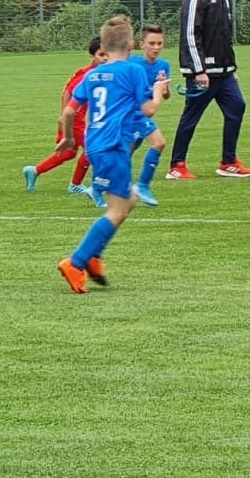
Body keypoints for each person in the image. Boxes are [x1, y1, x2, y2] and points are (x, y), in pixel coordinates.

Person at [56, 15, 170, 293]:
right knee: (118, 209)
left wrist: (69, 138)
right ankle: (77, 261)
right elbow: (149, 110)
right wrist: (157, 92)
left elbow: (70, 111)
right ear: (132, 44)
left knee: (127, 201)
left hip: (95, 145)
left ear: (104, 47)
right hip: (114, 146)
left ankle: (93, 255)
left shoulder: (93, 74)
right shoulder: (133, 71)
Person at [166, 0, 250, 181]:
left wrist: (231, 69)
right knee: (191, 117)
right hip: (203, 74)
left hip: (224, 74)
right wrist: (198, 70)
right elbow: (190, 34)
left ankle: (229, 162)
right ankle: (176, 165)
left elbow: (224, 37)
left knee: (237, 107)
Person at [24, 37, 106, 196]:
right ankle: (75, 185)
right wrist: (64, 115)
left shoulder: (97, 73)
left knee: (69, 153)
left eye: (106, 55)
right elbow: (67, 92)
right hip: (74, 120)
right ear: (92, 56)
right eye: (101, 54)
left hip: (78, 119)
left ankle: (34, 171)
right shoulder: (87, 74)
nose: (104, 58)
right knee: (93, 149)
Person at [128, 24, 174, 205]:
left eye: (159, 44)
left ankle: (102, 186)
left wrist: (164, 86)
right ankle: (142, 186)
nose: (156, 48)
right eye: (152, 43)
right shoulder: (132, 63)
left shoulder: (164, 66)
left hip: (145, 115)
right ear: (142, 45)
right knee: (159, 142)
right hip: (133, 114)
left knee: (126, 151)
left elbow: (167, 95)